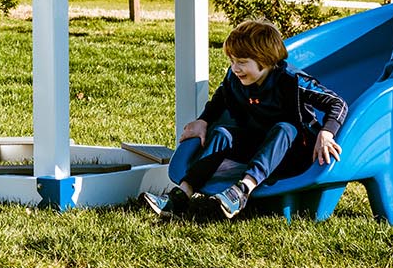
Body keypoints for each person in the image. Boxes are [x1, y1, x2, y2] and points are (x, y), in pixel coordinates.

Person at [140, 19, 347, 221]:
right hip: (256, 145)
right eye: (232, 61)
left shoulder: (292, 81)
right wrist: (203, 120)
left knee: (285, 128)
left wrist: (326, 133)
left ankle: (242, 191)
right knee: (223, 133)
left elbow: (338, 103)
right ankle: (181, 196)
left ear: (265, 60)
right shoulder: (235, 79)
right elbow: (220, 98)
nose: (235, 68)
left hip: (294, 154)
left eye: (241, 62)